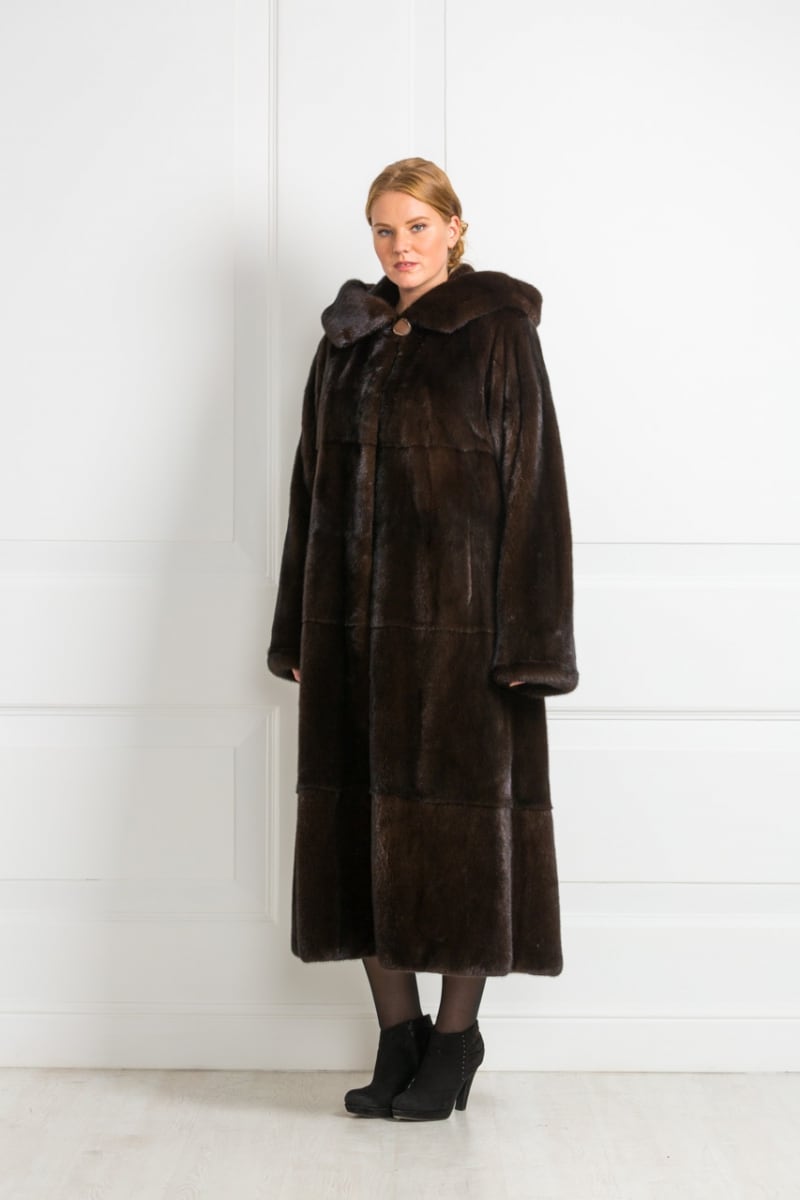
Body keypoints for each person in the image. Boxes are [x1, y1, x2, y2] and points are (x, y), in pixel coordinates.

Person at [268, 157, 578, 1122]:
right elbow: (310, 491)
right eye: (383, 229)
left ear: (454, 228)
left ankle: (454, 1039)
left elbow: (534, 487)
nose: (399, 246)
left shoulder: (496, 332)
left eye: (416, 226)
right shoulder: (347, 341)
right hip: (352, 638)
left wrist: (531, 642)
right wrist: (296, 626)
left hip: (462, 642)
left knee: (458, 846)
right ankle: (396, 1034)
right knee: (362, 835)